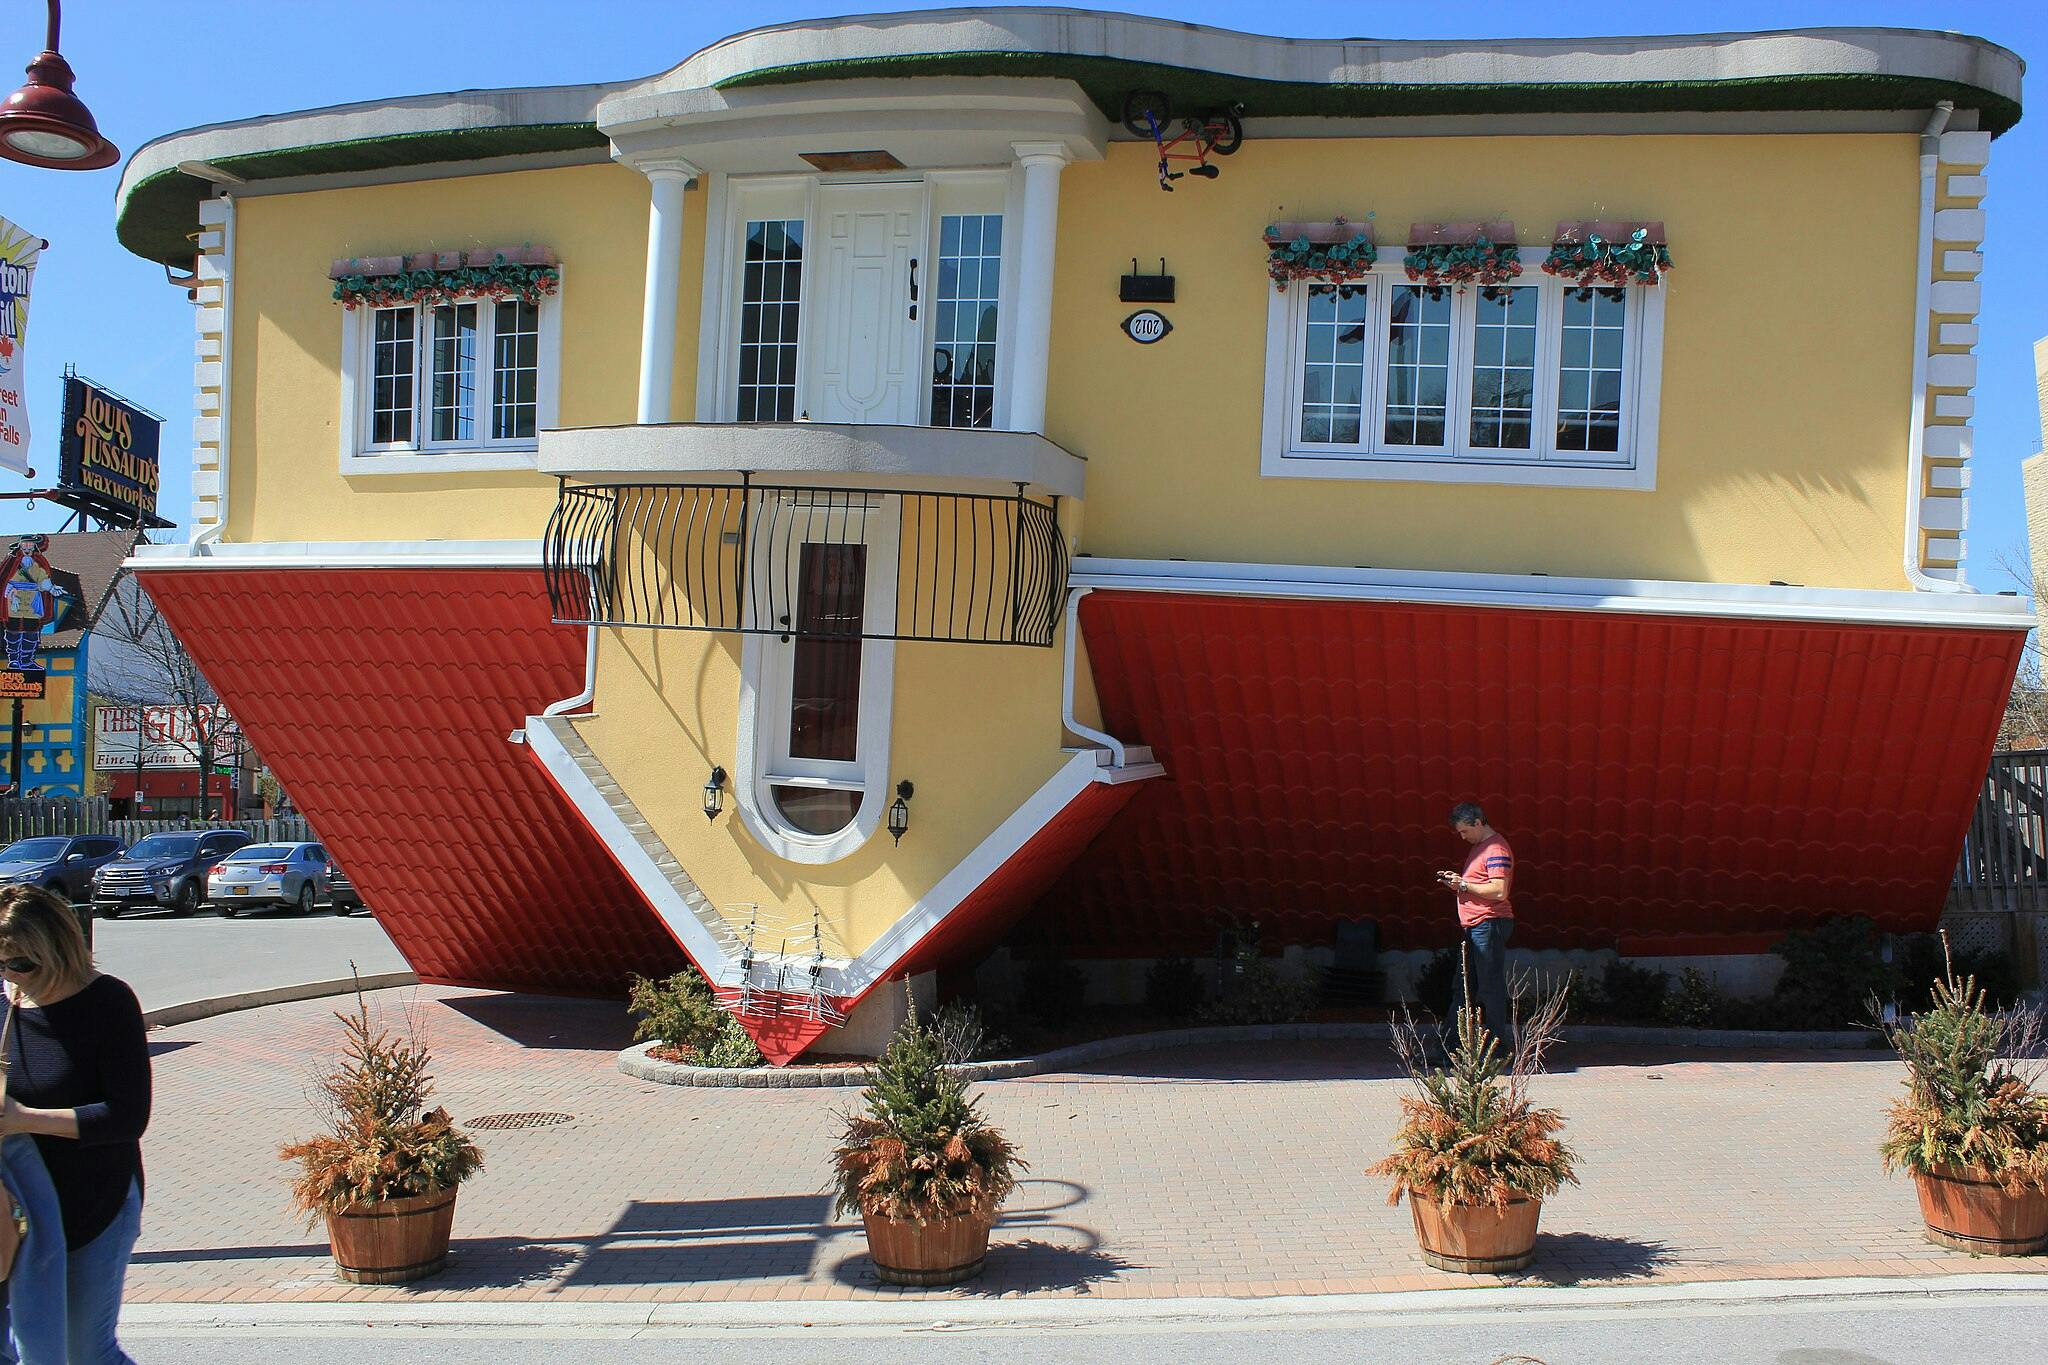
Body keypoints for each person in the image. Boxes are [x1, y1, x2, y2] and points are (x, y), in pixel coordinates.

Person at [0, 886, 150, 1364]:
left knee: (85, 1351)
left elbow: (128, 1117)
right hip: (14, 1207)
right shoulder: (5, 1004)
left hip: (94, 1201)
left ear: (58, 949)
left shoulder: (107, 1003)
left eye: (21, 963)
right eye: (1, 962)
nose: (10, 974)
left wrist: (24, 1120)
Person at [1435, 801, 1516, 1050]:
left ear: (1478, 823)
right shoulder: (1481, 847)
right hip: (1477, 925)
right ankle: (1454, 1046)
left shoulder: (1496, 849)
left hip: (1488, 924)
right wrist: (1459, 883)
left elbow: (1499, 890)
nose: (1462, 837)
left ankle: (1496, 1048)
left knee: (1488, 989)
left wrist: (1463, 885)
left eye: (1465, 831)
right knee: (1464, 987)